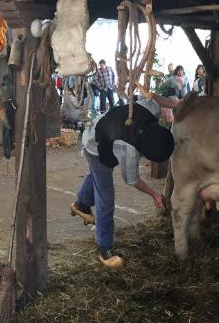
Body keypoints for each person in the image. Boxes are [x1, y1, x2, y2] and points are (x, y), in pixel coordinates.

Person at [70, 97, 174, 268]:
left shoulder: (149, 110)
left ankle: (80, 204)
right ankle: (105, 249)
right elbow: (133, 180)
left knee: (97, 177)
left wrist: (175, 104)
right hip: (94, 146)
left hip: (104, 132)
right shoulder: (130, 150)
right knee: (106, 198)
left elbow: (153, 96)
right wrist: (155, 194)